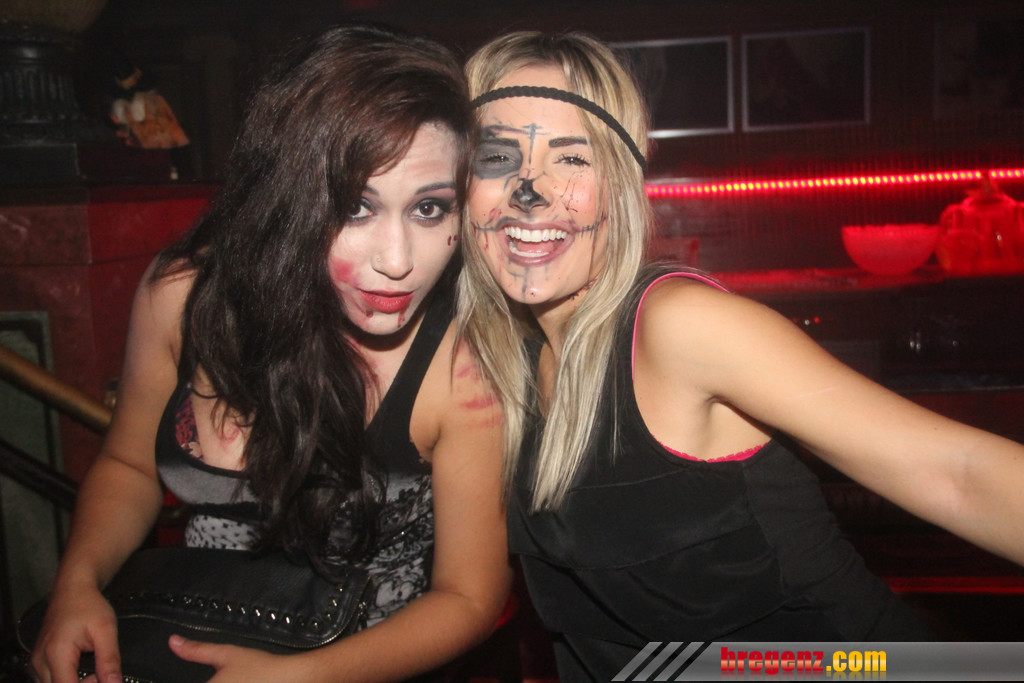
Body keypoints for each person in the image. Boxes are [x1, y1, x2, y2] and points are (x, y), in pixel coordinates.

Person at [456, 30, 1024, 680]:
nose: (530, 190)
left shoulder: (678, 327)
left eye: (572, 158)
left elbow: (957, 473)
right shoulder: (506, 365)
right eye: (496, 156)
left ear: (619, 184)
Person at [30, 25, 510, 683]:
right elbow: (128, 463)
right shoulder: (183, 296)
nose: (398, 261)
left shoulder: (461, 365)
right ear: (286, 197)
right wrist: (77, 583)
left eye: (429, 209)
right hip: (194, 634)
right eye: (356, 207)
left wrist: (298, 677)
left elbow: (470, 598)